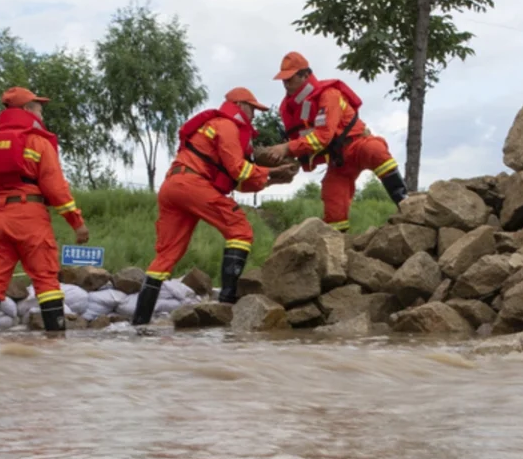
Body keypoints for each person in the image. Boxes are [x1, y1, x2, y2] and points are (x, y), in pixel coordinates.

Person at [132, 87, 296, 326]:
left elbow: (234, 181)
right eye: (253, 109)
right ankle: (227, 303)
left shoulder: (213, 126)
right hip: (192, 184)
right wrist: (272, 170)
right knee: (240, 230)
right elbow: (238, 170)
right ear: (241, 105)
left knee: (166, 257)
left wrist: (270, 180)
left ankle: (139, 323)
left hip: (173, 186)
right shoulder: (227, 125)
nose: (254, 115)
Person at [0, 86, 90, 334]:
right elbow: (56, 188)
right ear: (26, 110)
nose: (41, 115)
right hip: (29, 215)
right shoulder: (36, 142)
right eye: (38, 108)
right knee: (45, 277)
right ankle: (55, 343)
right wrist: (76, 222)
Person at [261, 51, 407, 232]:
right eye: (283, 79)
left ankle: (406, 204)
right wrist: (287, 164)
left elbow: (322, 137)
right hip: (338, 161)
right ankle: (336, 249)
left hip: (357, 144)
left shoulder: (328, 95)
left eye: (289, 79)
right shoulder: (288, 108)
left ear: (306, 75)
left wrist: (286, 148)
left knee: (375, 151)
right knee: (333, 200)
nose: (285, 84)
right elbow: (301, 142)